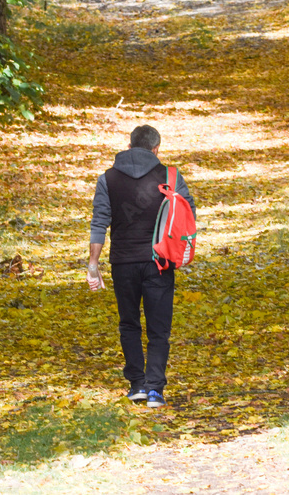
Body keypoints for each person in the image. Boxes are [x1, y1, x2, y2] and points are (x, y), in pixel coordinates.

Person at [87, 125, 196, 409]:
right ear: (156, 148)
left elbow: (100, 221)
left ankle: (136, 384)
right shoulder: (170, 176)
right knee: (159, 329)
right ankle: (154, 390)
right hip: (159, 262)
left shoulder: (108, 179)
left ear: (130, 145)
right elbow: (188, 215)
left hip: (122, 263)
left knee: (129, 323)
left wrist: (93, 263)